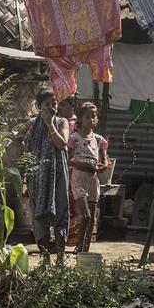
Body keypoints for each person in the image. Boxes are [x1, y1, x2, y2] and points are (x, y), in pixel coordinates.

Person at [25, 88, 70, 263]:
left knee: (60, 213)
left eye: (54, 104)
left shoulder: (61, 122)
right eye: (47, 104)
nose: (51, 107)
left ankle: (60, 259)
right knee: (39, 217)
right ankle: (45, 259)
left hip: (57, 174)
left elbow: (61, 144)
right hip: (37, 177)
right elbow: (20, 140)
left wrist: (50, 124)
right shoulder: (32, 124)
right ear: (39, 106)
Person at [68, 102, 108, 253]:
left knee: (91, 219)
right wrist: (85, 165)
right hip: (79, 177)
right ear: (80, 118)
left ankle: (85, 250)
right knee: (85, 215)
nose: (91, 120)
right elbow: (68, 160)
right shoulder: (74, 138)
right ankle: (79, 248)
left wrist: (102, 167)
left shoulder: (99, 140)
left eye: (94, 116)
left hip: (93, 179)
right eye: (87, 117)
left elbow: (104, 162)